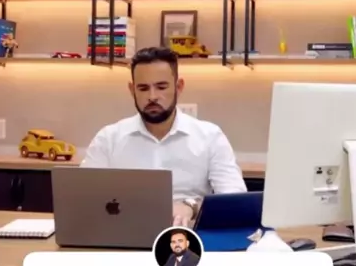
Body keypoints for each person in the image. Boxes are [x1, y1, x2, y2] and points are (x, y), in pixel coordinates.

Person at [81, 46, 247, 226]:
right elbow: (82, 200)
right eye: (143, 88)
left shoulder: (210, 137)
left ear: (179, 87)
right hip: (123, 235)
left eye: (161, 87)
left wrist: (191, 206)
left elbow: (235, 202)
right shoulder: (108, 139)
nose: (152, 96)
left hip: (188, 236)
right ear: (132, 90)